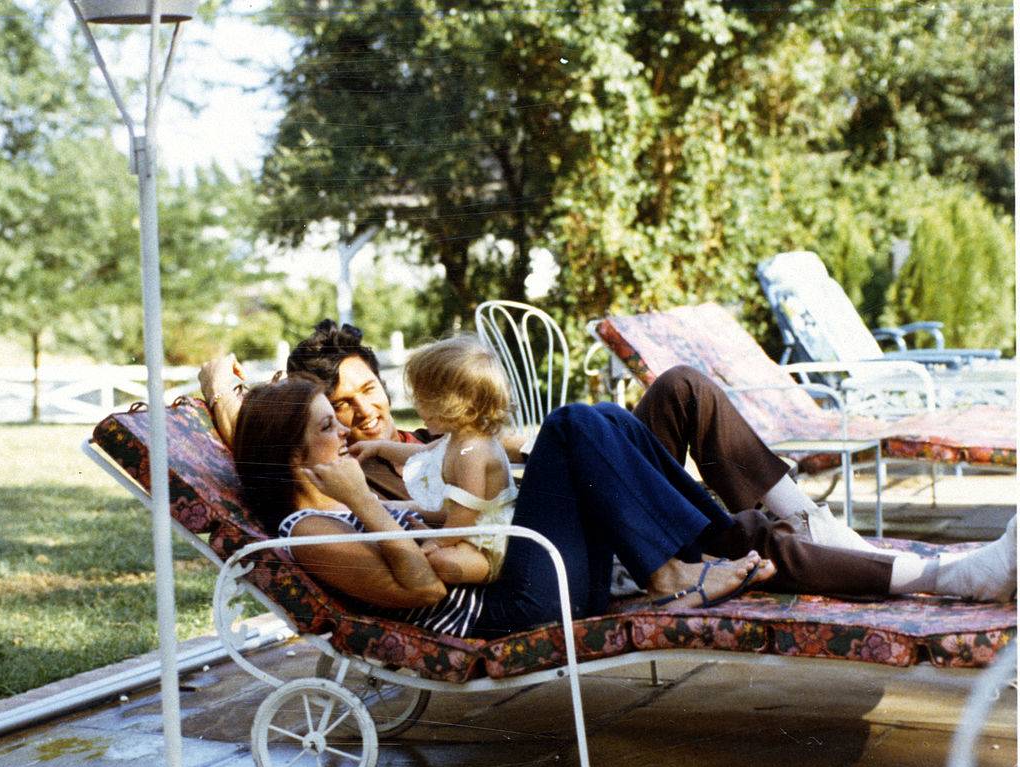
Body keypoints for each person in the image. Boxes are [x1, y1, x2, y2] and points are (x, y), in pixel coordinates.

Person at [203, 321, 1016, 603]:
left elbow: (486, 461)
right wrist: (219, 389)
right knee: (579, 428)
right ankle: (928, 573)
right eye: (335, 414)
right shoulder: (337, 493)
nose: (361, 415)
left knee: (680, 389)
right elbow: (424, 571)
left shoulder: (402, 445)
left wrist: (513, 448)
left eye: (369, 391)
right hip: (534, 564)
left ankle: (806, 524)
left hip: (549, 526)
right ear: (304, 442)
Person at [232, 377, 778, 639]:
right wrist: (362, 499)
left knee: (603, 416)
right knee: (570, 426)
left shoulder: (336, 506)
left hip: (525, 577)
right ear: (291, 456)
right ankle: (675, 570)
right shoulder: (310, 531)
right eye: (329, 425)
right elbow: (424, 589)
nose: (345, 430)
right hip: (513, 607)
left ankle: (710, 540)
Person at [349, 336, 518, 584]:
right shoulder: (457, 438)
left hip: (489, 539)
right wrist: (379, 448)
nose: (417, 407)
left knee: (439, 562)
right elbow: (423, 454)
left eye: (424, 400)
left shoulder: (473, 451)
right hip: (466, 528)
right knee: (415, 530)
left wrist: (438, 540)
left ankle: (493, 572)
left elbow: (465, 512)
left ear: (456, 403)